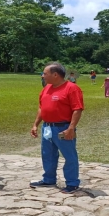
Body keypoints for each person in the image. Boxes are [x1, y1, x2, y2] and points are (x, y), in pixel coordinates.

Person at [30, 62, 84, 194]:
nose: (43, 76)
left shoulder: (71, 88)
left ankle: (72, 183)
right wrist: (36, 124)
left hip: (63, 128)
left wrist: (71, 128)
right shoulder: (46, 88)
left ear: (55, 75)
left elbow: (77, 109)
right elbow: (42, 108)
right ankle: (49, 179)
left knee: (69, 155)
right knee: (47, 154)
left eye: (45, 73)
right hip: (47, 127)